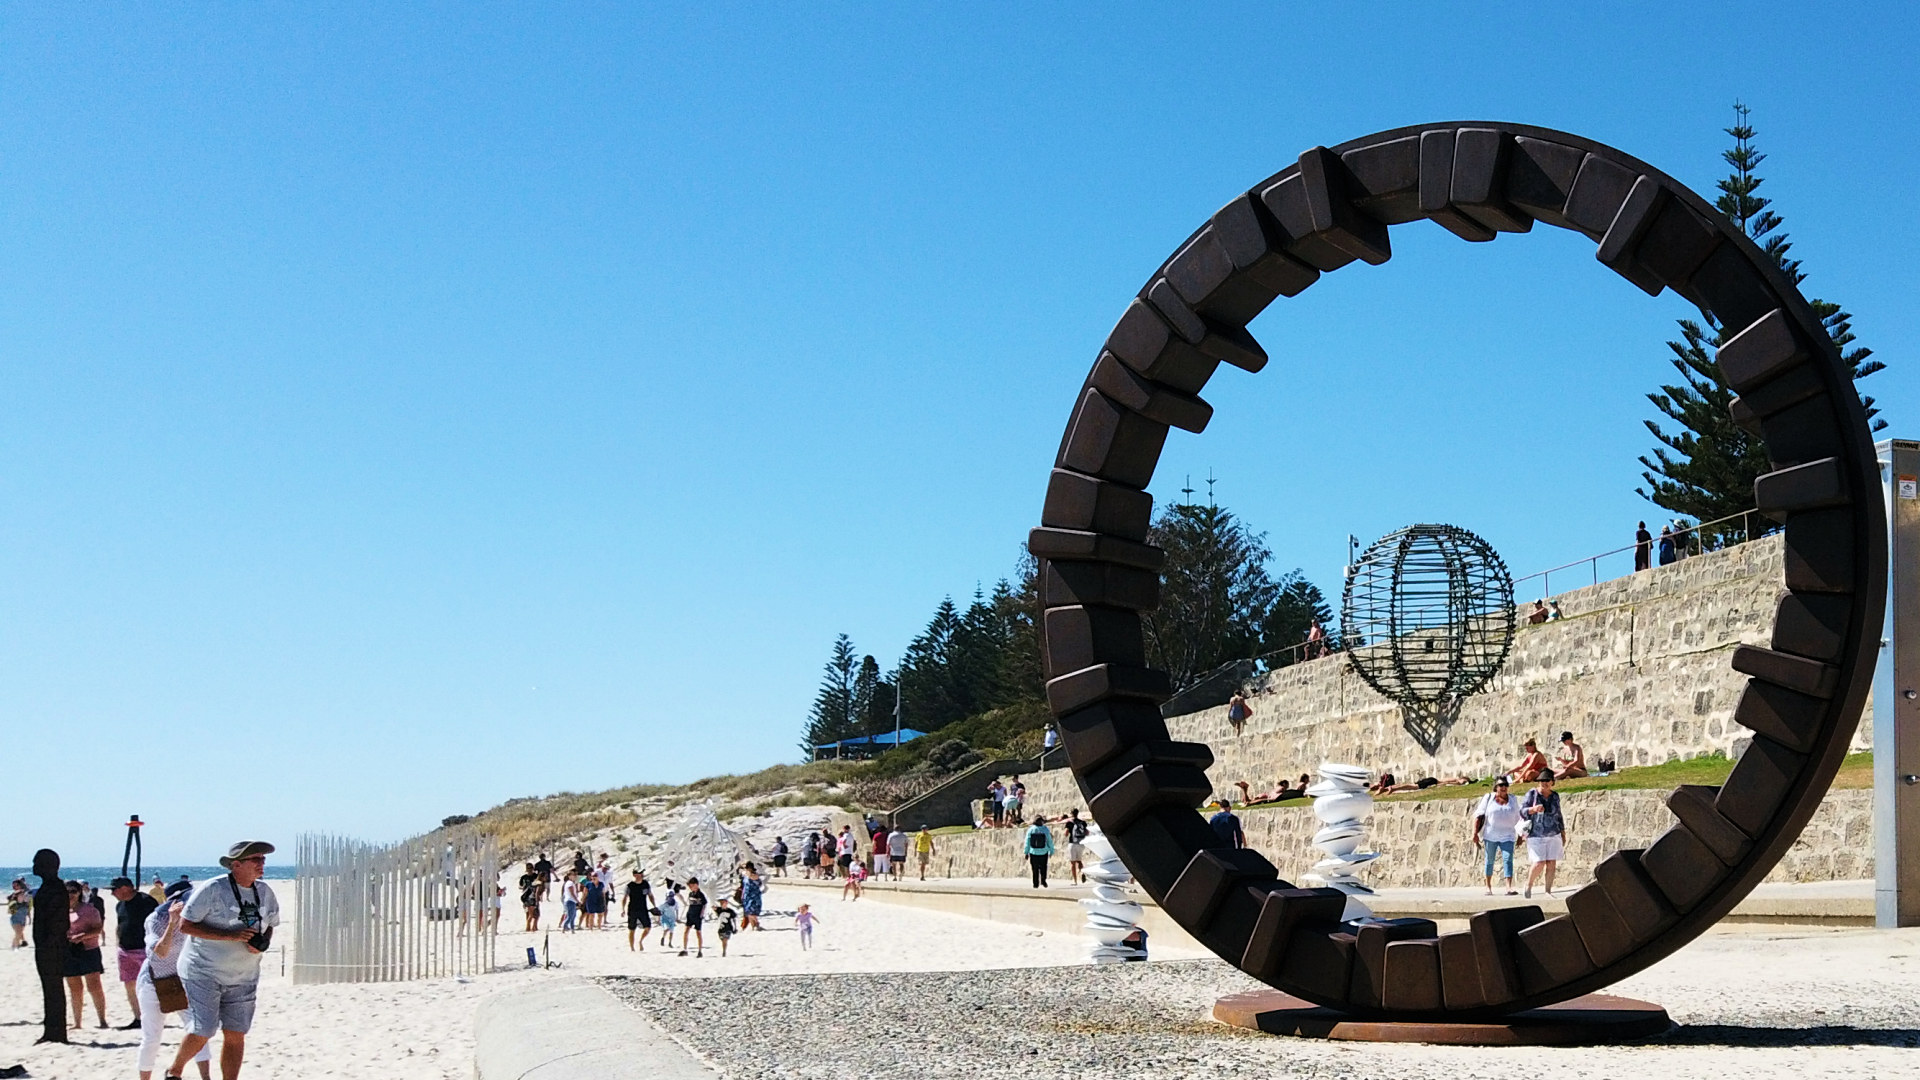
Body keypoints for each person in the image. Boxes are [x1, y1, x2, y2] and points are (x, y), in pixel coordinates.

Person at [169, 840, 281, 1080]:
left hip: (244, 974)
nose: (262, 864)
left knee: (236, 1033)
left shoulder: (264, 891)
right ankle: (175, 1071)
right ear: (236, 865)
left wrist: (263, 942)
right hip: (203, 970)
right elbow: (185, 925)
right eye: (256, 860)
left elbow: (270, 924)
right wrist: (230, 935)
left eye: (263, 859)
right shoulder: (213, 889)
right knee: (204, 1029)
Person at [138, 880, 212, 1080]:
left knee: (198, 1030)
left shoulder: (197, 919)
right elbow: (160, 953)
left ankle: (205, 1077)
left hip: (184, 980)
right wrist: (172, 923)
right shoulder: (155, 919)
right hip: (154, 980)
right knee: (152, 1037)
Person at [113, 875, 160, 1029]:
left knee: (149, 985)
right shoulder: (120, 905)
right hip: (125, 950)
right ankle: (138, 1018)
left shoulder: (146, 902)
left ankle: (152, 1017)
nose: (113, 893)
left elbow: (158, 924)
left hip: (143, 949)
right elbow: (120, 924)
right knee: (130, 985)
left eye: (115, 889)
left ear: (125, 888)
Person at [32, 849, 69, 1044]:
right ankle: (51, 1029)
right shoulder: (48, 887)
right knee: (50, 989)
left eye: (37, 863)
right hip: (44, 946)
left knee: (54, 988)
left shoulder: (55, 888)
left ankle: (57, 1031)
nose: (33, 866)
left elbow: (59, 923)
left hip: (52, 948)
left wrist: (50, 943)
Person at [65, 880, 109, 1029]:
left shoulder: (89, 910)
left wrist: (82, 936)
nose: (70, 895)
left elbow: (98, 929)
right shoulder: (60, 911)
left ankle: (102, 1020)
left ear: (79, 893)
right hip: (69, 951)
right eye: (67, 891)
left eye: (73, 891)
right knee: (75, 988)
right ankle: (77, 1022)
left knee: (94, 986)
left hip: (88, 950)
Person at [1521, 771, 1568, 899]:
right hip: (1536, 833)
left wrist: (1562, 832)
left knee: (1551, 863)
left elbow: (1558, 814)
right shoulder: (1532, 794)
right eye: (1542, 781)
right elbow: (1522, 810)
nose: (1544, 783)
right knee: (1539, 862)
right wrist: (1533, 809)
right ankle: (1529, 884)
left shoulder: (1555, 796)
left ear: (1552, 782)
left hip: (1553, 833)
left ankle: (1548, 891)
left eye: (1547, 781)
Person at [1473, 779, 1522, 896]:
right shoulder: (1489, 798)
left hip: (1508, 835)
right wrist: (1474, 833)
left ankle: (1509, 886)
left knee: (1508, 859)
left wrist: (1521, 835)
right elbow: (1479, 815)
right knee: (1489, 860)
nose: (1503, 787)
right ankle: (1488, 886)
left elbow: (1519, 817)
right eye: (1500, 785)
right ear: (1496, 787)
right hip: (1490, 835)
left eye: (1505, 785)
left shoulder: (1513, 799)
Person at [623, 870, 653, 952]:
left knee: (648, 927)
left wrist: (654, 905)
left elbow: (650, 895)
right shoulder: (630, 886)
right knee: (632, 929)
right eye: (640, 873)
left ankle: (640, 941)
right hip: (632, 909)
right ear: (635, 875)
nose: (642, 875)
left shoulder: (646, 884)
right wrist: (623, 909)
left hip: (643, 909)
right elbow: (625, 897)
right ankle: (632, 948)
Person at [1022, 817, 1055, 888]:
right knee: (1043, 867)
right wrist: (1051, 851)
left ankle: (1035, 883)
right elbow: (1049, 841)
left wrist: (1026, 852)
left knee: (1034, 868)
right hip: (1044, 851)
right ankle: (1043, 880)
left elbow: (1027, 842)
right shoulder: (1045, 829)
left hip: (1033, 852)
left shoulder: (1031, 830)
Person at [1062, 809, 1090, 884]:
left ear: (1071, 814)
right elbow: (1087, 832)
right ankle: (1081, 872)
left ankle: (1075, 881)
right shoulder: (1082, 822)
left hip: (1072, 844)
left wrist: (1065, 833)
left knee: (1073, 863)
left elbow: (1066, 833)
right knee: (1079, 861)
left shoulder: (1070, 823)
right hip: (1080, 844)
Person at [680, 878, 706, 957]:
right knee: (686, 931)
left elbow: (704, 905)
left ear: (696, 885)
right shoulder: (690, 894)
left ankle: (700, 950)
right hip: (690, 914)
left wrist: (701, 914)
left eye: (692, 886)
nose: (691, 888)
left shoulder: (701, 895)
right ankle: (685, 949)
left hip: (697, 916)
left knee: (698, 933)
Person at [738, 863, 764, 931]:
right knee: (748, 912)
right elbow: (744, 886)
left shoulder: (755, 875)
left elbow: (752, 878)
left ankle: (757, 923)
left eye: (747, 868)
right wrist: (742, 895)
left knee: (752, 911)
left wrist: (746, 872)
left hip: (754, 896)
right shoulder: (745, 876)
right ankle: (753, 926)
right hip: (747, 896)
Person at [657, 883, 680, 948]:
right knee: (666, 929)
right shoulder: (664, 904)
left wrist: (677, 917)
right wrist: (658, 920)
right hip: (665, 919)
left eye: (672, 896)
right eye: (669, 896)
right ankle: (663, 938)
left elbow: (677, 909)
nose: (671, 897)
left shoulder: (675, 903)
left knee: (671, 931)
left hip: (672, 919)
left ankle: (670, 943)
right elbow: (659, 911)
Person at [520, 865, 542, 931]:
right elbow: (520, 885)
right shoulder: (524, 877)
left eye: (531, 868)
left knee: (536, 911)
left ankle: (535, 926)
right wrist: (523, 887)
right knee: (528, 912)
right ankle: (528, 926)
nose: (529, 869)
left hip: (534, 895)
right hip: (526, 895)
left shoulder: (536, 876)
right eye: (528, 868)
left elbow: (539, 884)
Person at [8, 878, 29, 949]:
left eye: (16, 885)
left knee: (19, 933)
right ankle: (14, 947)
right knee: (18, 933)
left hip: (23, 918)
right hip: (15, 918)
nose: (14, 887)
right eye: (13, 885)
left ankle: (18, 944)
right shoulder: (15, 894)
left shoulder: (25, 893)